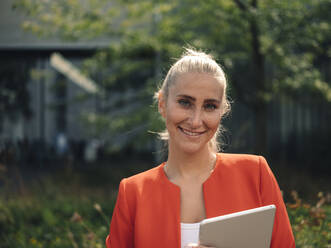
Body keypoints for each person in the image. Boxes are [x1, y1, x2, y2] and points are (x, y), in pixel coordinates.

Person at [106, 48, 295, 248]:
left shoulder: (255, 174)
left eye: (210, 106)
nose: (196, 121)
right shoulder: (133, 192)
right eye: (185, 103)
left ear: (222, 111)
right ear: (162, 104)